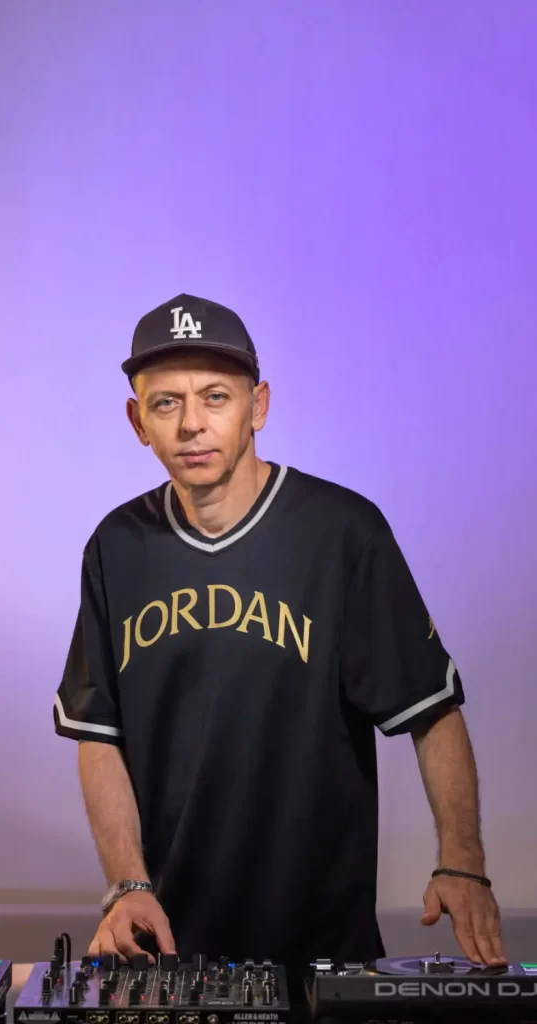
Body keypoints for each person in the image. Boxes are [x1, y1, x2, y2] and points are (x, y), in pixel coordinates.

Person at [53, 293, 505, 1003]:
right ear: (138, 421)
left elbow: (430, 707)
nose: (192, 423)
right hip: (169, 946)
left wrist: (463, 862)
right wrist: (126, 881)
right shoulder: (116, 546)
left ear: (257, 406)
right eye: (165, 403)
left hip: (320, 947)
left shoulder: (341, 533)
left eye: (215, 397)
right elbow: (96, 730)